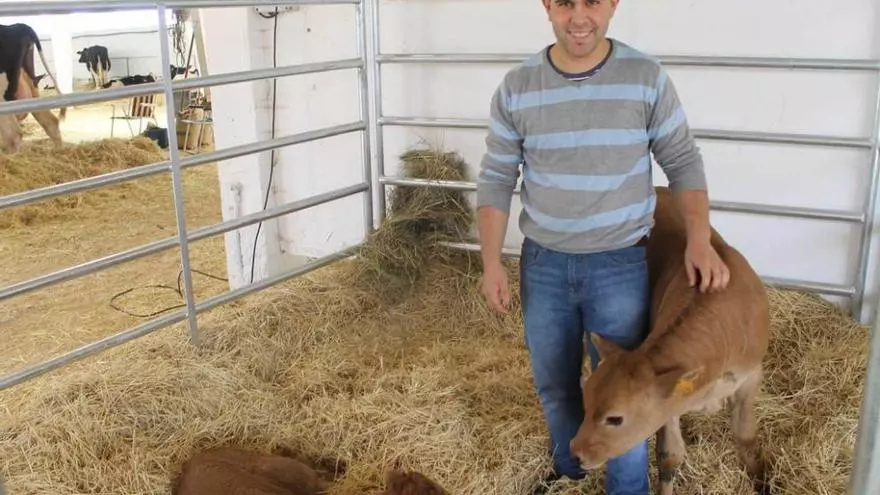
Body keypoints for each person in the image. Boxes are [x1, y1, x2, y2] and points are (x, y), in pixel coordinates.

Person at [474, 0, 731, 493]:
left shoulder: (645, 77)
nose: (579, 17)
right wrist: (491, 263)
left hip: (620, 262)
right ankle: (571, 472)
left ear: (613, 3)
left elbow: (682, 159)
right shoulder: (518, 86)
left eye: (592, 1)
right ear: (547, 6)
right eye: (565, 3)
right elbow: (496, 177)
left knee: (627, 395)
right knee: (555, 384)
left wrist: (699, 238)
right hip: (544, 263)